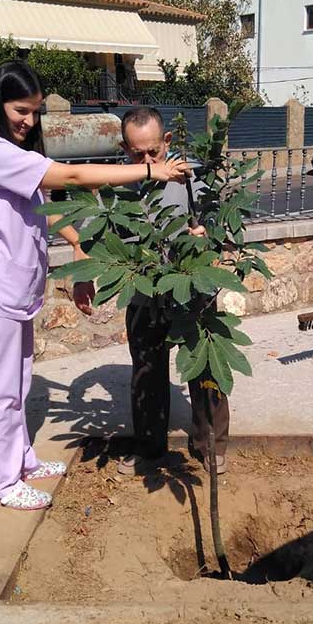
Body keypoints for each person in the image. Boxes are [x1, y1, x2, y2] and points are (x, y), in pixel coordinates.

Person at [0, 65, 188, 511]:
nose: (29, 122)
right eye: (21, 110)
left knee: (16, 384)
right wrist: (148, 172)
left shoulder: (11, 152)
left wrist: (82, 254)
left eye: (35, 113)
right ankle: (1, 482)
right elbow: (72, 179)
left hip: (12, 291)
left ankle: (21, 461)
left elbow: (46, 215)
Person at [73, 107, 230, 477]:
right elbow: (88, 234)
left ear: (168, 143)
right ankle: (150, 449)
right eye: (136, 153)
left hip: (192, 293)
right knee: (147, 373)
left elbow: (218, 229)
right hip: (144, 296)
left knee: (205, 366)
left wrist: (206, 240)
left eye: (153, 153)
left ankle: (211, 446)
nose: (145, 161)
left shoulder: (192, 180)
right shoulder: (117, 183)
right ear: (123, 148)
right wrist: (81, 275)